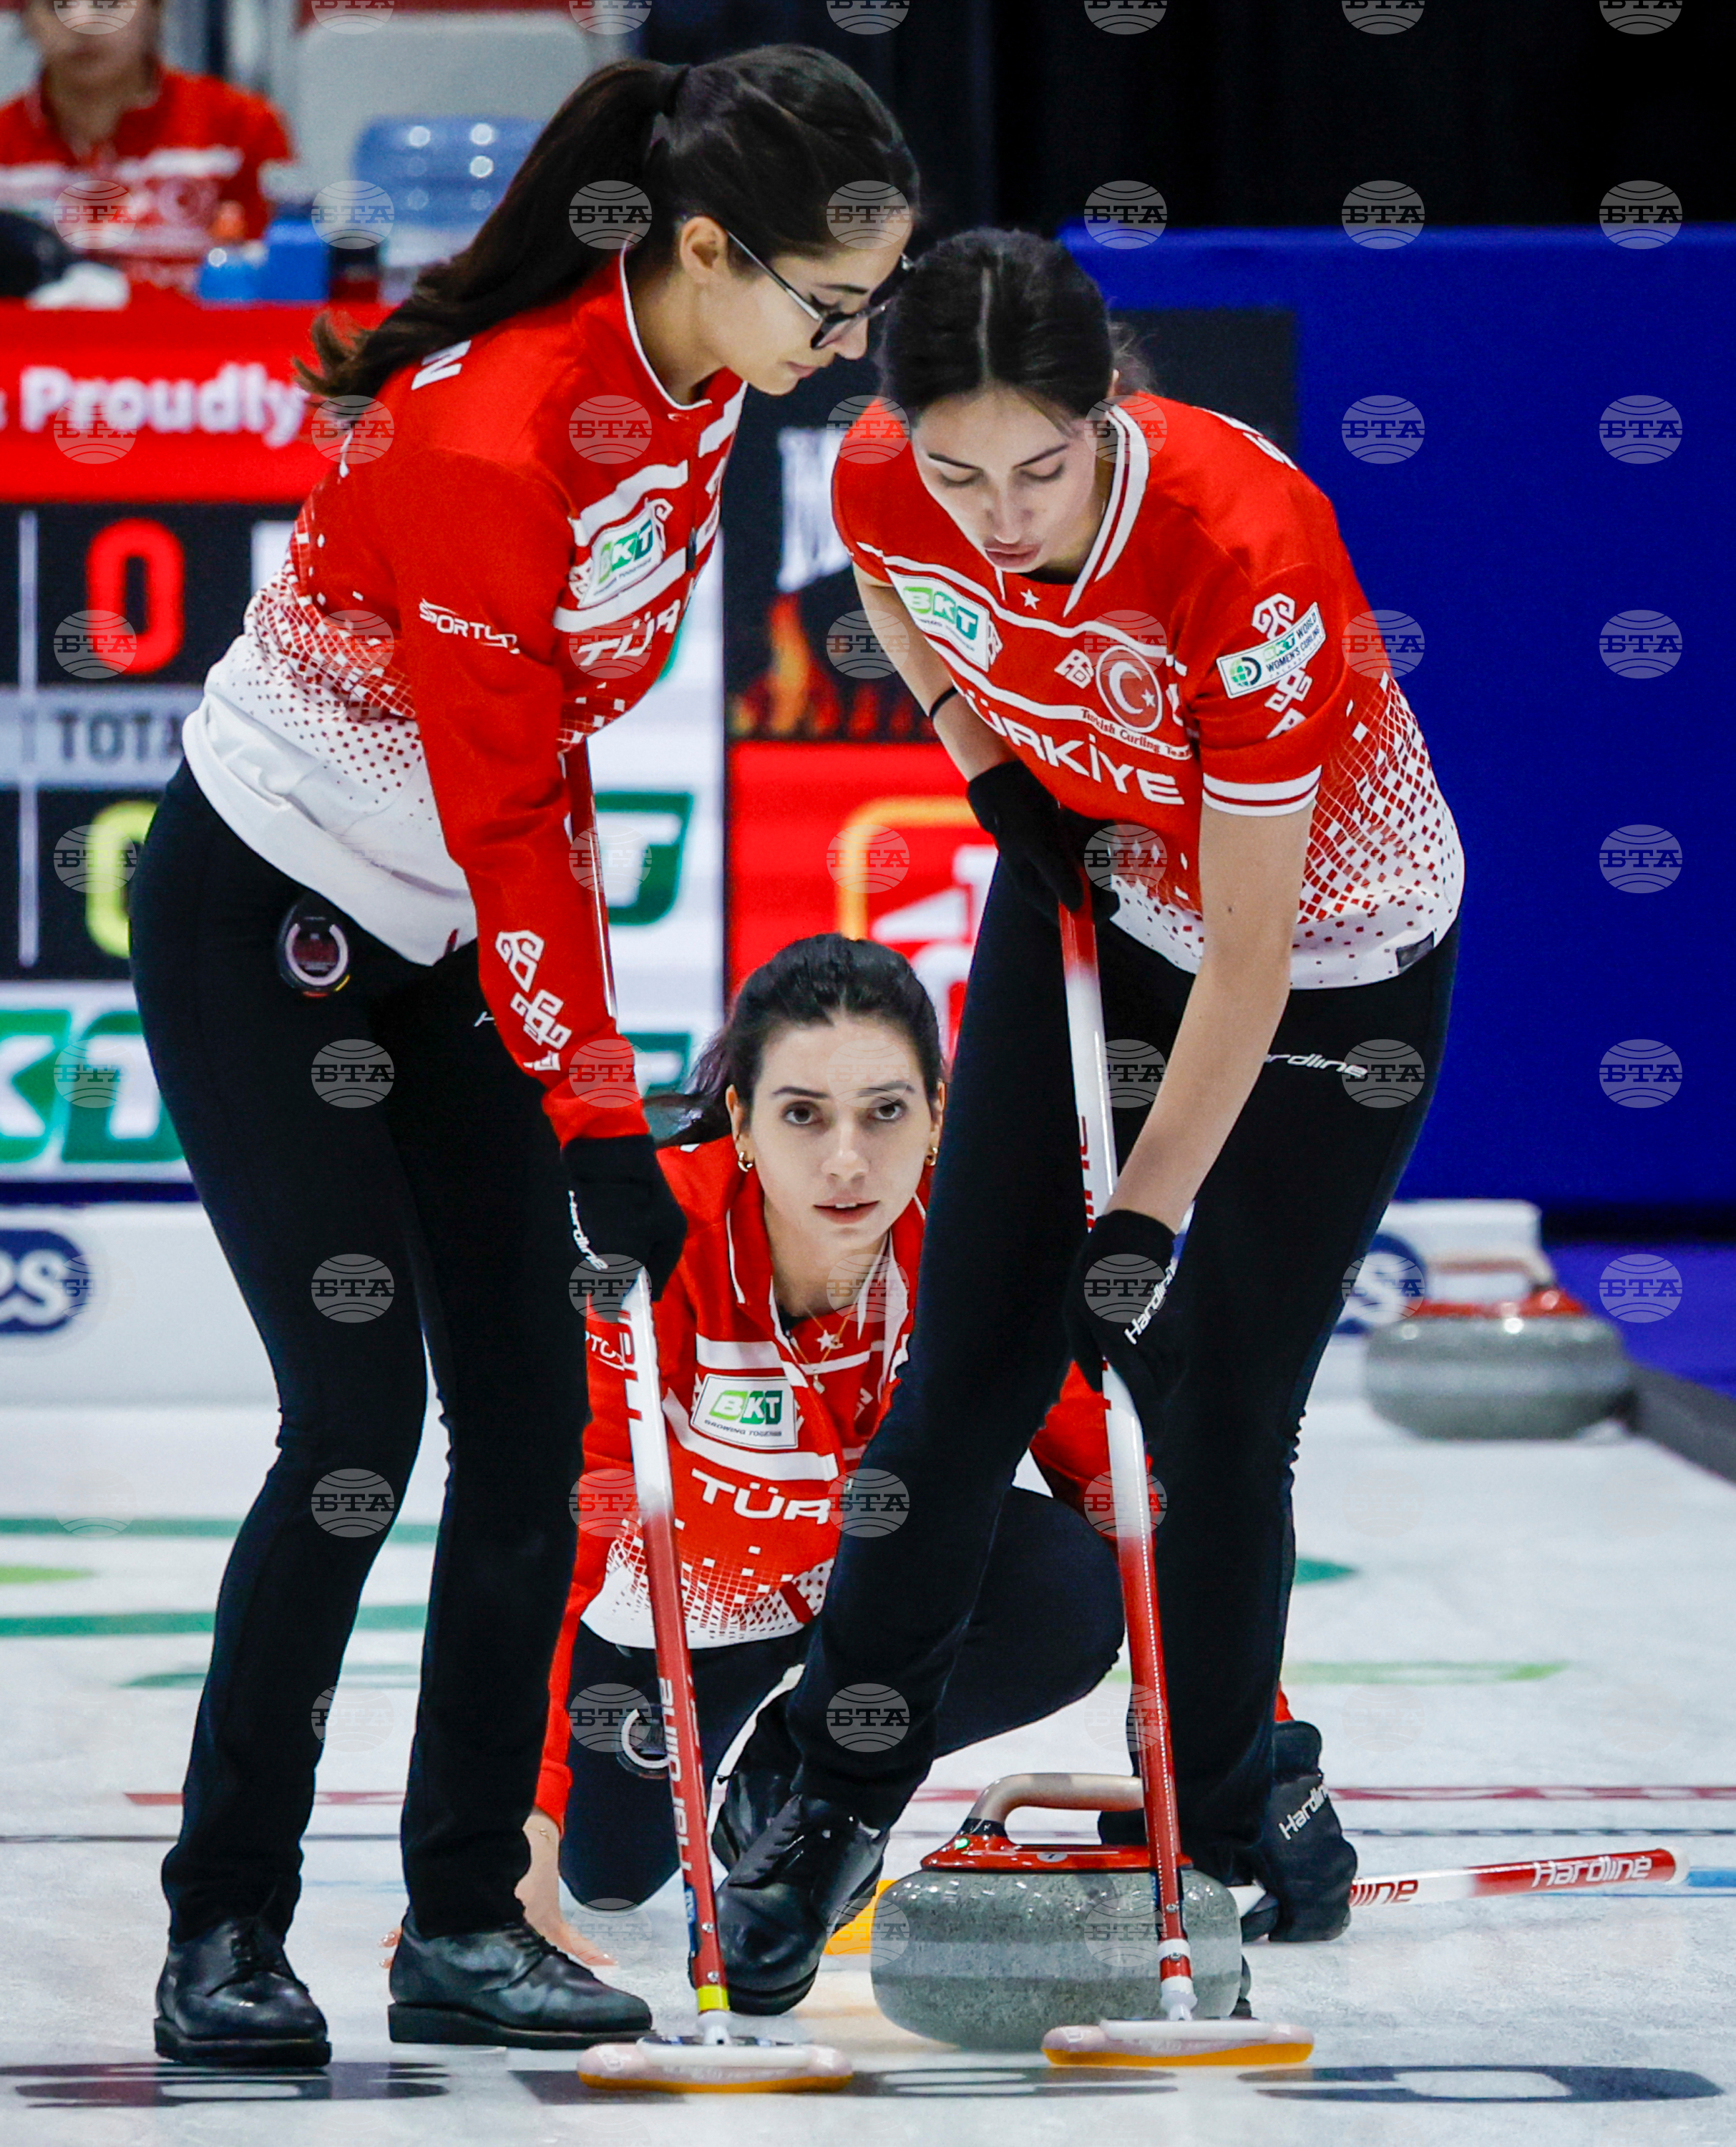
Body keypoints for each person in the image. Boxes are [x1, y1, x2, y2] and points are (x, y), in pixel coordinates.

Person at [127, 47, 915, 2067]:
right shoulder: (491, 438)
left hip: (449, 919)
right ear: (710, 250)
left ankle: (464, 1918)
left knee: (539, 1424)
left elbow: (546, 767)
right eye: (830, 307)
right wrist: (593, 1107)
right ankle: (222, 1928)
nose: (843, 355)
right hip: (275, 921)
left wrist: (576, 1074)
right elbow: (494, 803)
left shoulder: (710, 383)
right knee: (353, 1437)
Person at [716, 228, 1461, 2011]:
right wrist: (986, 759)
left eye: (1037, 468)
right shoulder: (893, 473)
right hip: (1103, 880)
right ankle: (829, 1775)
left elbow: (1261, 948)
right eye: (959, 467)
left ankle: (1214, 1803)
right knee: (971, 1348)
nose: (995, 510)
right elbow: (897, 595)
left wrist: (1139, 1211)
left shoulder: (1239, 545)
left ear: (1105, 404)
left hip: (1327, 960)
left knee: (1219, 1397)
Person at [515, 935, 1124, 1952]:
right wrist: (519, 1834)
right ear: (744, 1125)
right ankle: (700, 1758)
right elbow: (559, 1543)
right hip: (684, 1607)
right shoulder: (655, 1249)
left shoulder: (979, 1248)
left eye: (885, 1112)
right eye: (803, 1115)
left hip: (886, 1597)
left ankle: (805, 1760)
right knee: (609, 1873)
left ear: (937, 1116)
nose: (847, 1161)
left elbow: (1114, 1484)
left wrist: (1256, 1746)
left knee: (1070, 1588)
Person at [0, 0, 291, 295]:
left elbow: (282, 290)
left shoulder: (241, 129)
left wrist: (126, 295)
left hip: (202, 340)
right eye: (55, 6)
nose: (83, 23)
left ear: (157, 9)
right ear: (24, 17)